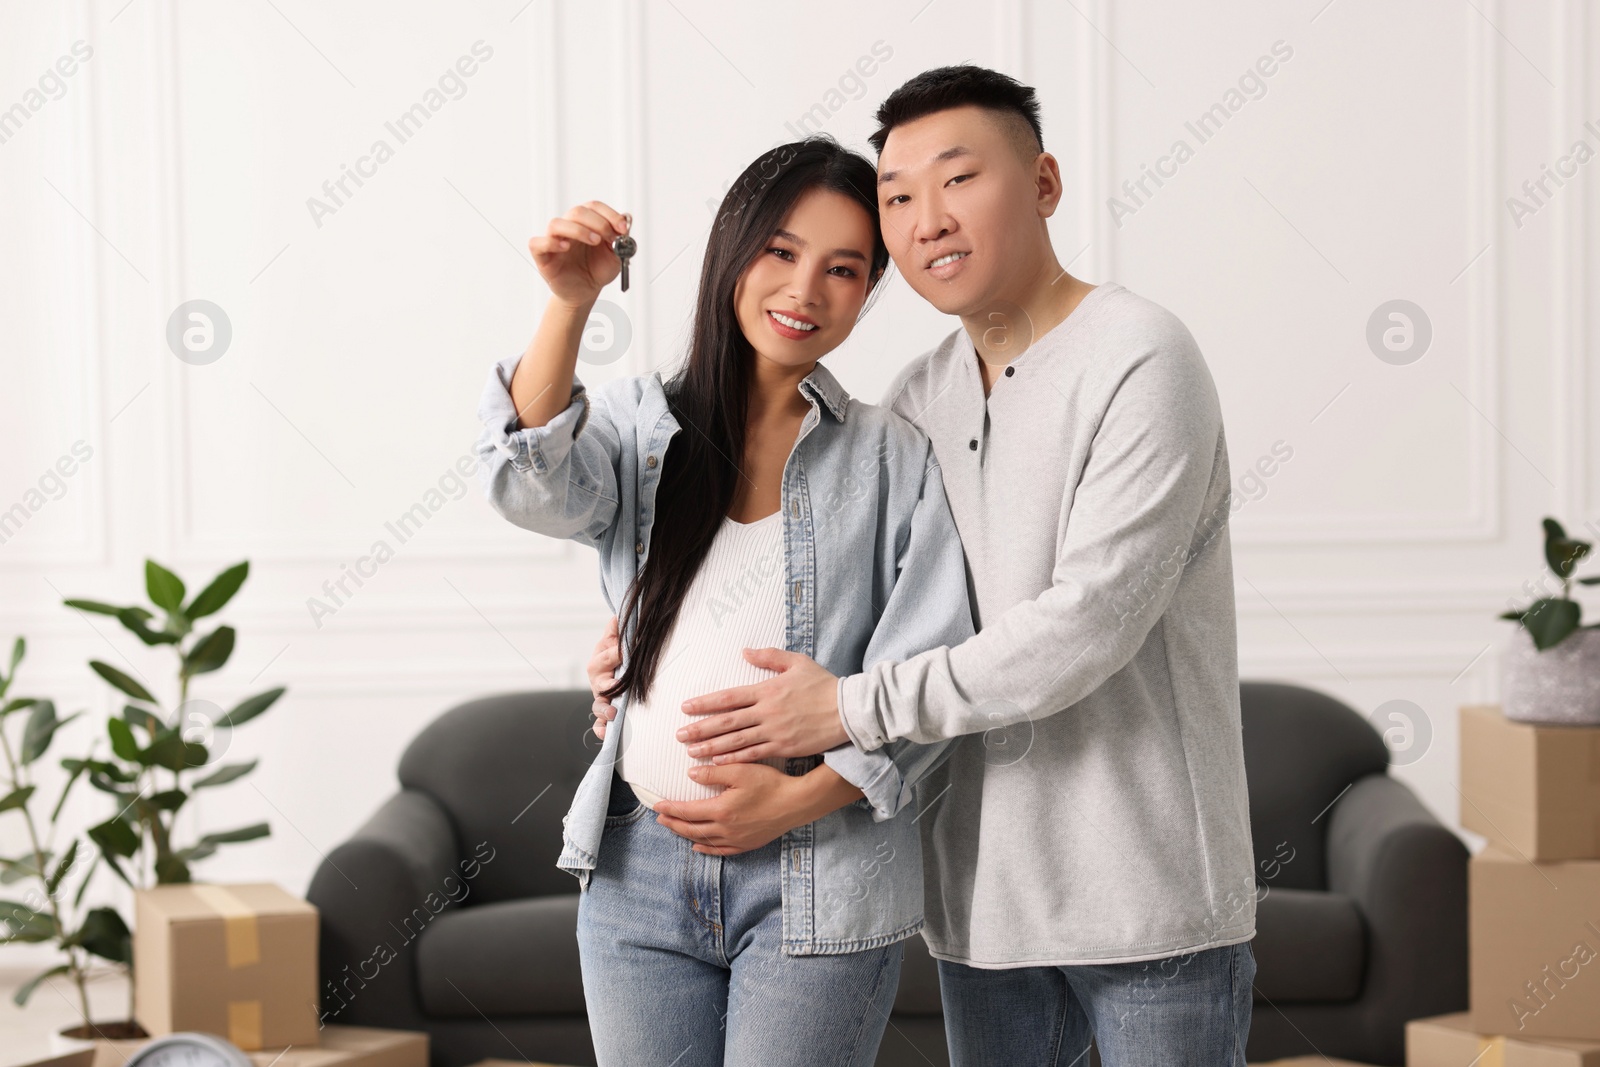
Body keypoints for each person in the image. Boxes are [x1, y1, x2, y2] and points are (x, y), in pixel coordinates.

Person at [586, 67, 1258, 1066]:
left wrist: (847, 709)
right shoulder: (915, 402)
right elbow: (847, 598)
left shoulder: (1140, 355)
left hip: (1145, 905)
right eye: (898, 195)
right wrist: (650, 651)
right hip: (980, 904)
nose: (926, 217)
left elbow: (1087, 624)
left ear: (1043, 183)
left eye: (958, 178)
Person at [472, 136, 976, 1067]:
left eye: (843, 269)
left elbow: (933, 674)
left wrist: (792, 802)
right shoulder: (638, 426)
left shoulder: (891, 458)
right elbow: (530, 483)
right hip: (636, 872)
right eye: (781, 252)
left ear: (869, 295)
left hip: (818, 872)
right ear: (732, 252)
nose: (804, 290)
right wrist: (570, 302)